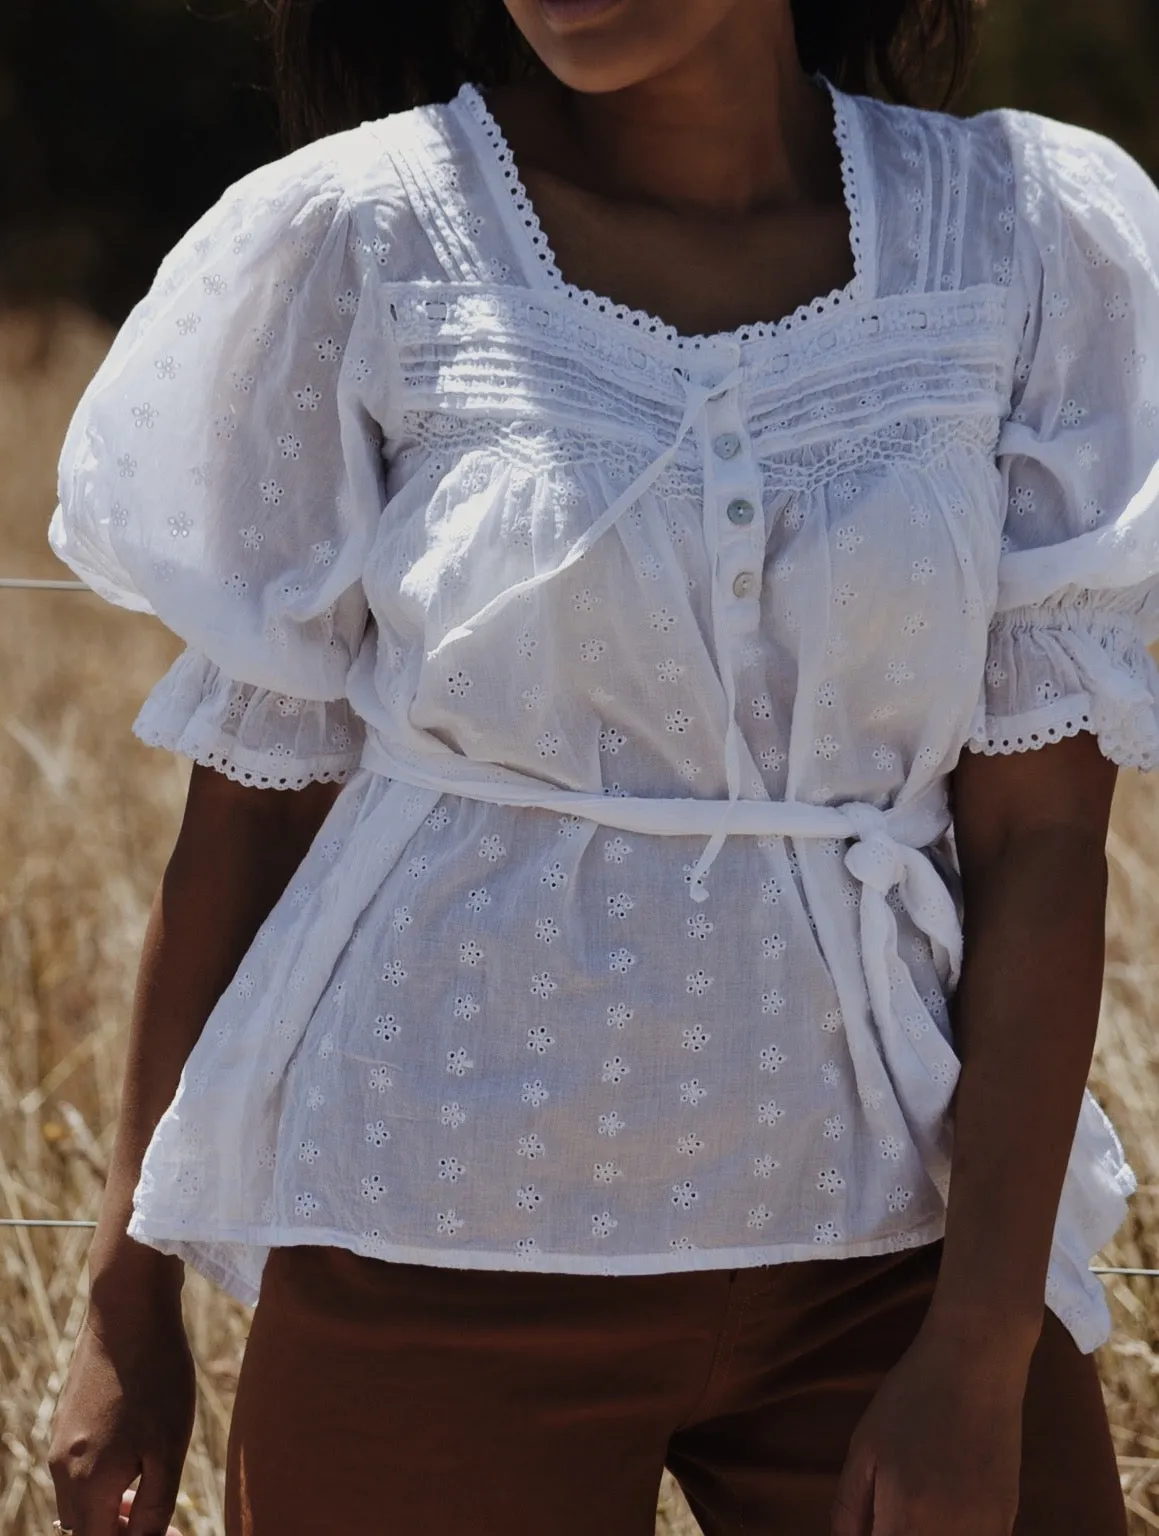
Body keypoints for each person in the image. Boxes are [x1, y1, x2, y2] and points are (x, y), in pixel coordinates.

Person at [44, 0, 1158, 1531]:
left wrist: (976, 1343)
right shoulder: (356, 236)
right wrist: (123, 1302)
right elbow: (244, 814)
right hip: (426, 1237)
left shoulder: (1029, 235)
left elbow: (1041, 839)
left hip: (898, 1246)